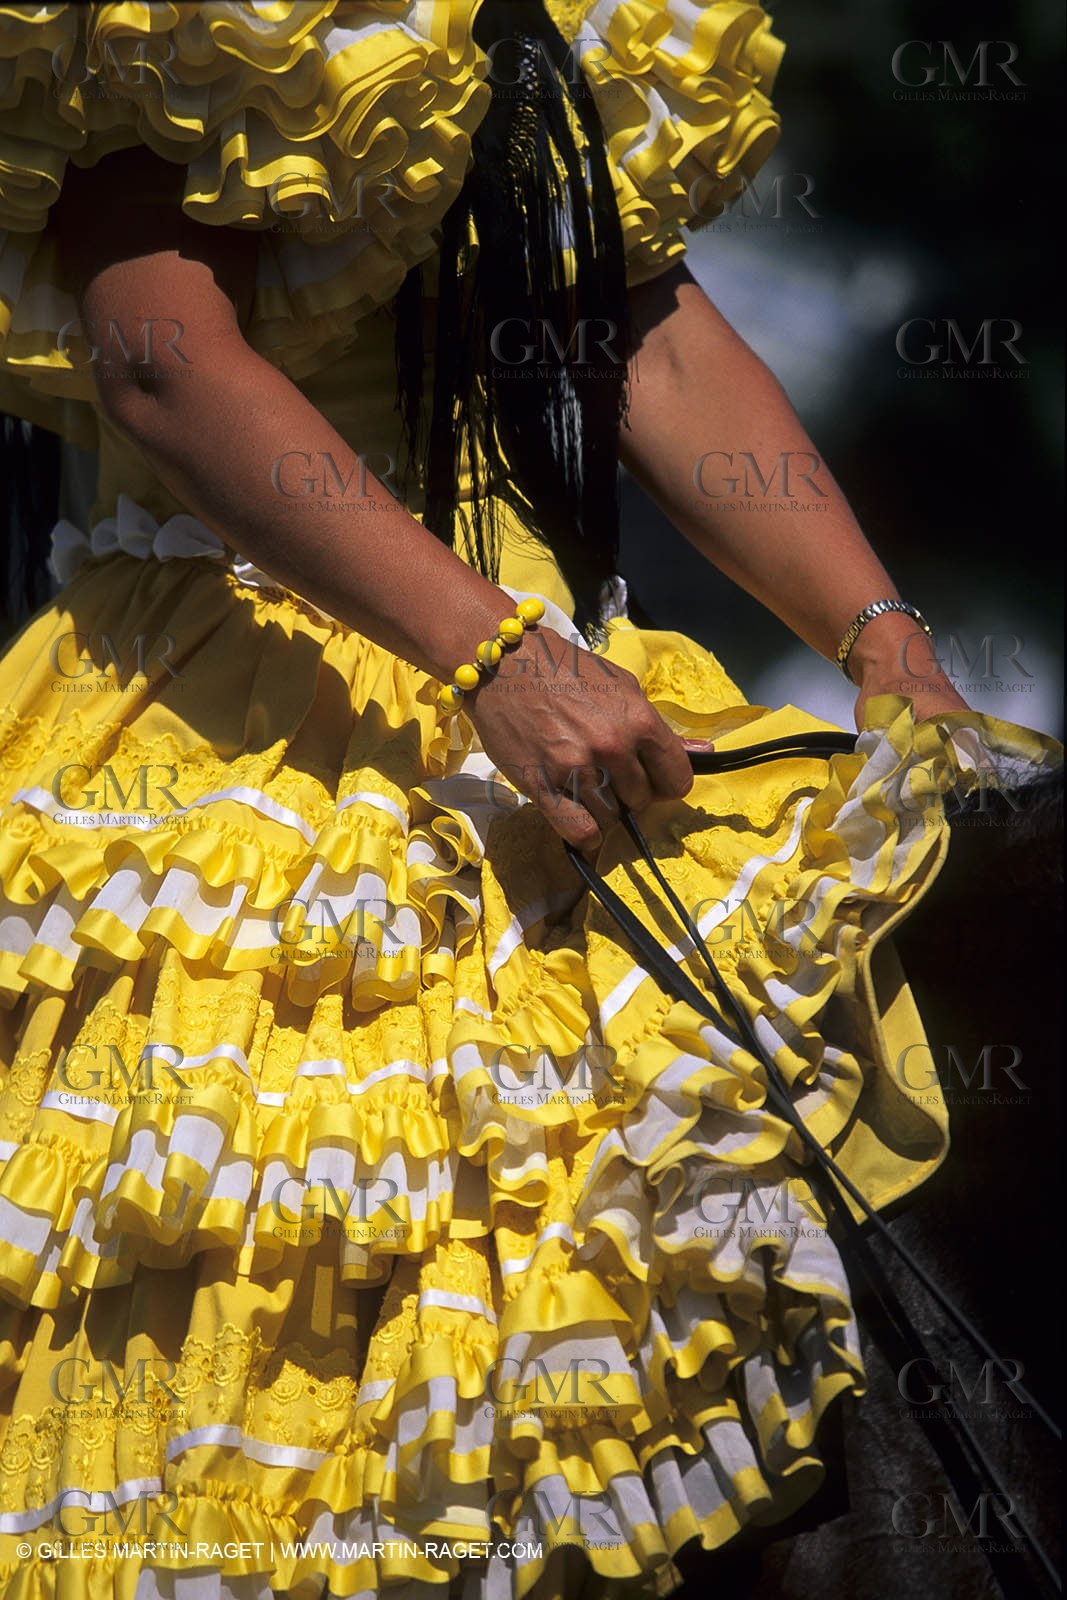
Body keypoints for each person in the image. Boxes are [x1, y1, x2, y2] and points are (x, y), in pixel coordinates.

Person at [0, 2, 1057, 1598]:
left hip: (571, 672)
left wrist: (883, 639)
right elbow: (159, 357)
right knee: (265, 1263)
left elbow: (652, 332)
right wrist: (486, 652)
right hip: (254, 697)